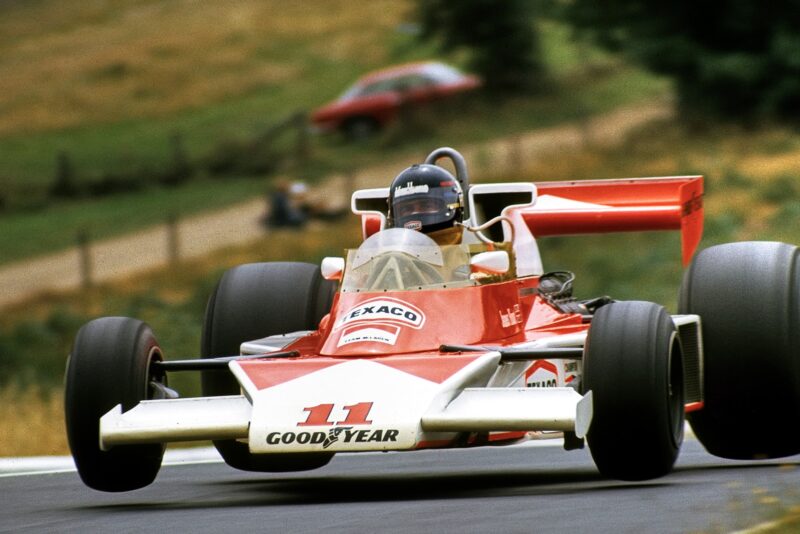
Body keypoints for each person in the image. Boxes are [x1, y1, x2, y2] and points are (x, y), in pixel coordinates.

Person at [387, 163, 464, 246]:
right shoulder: (391, 257)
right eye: (406, 209)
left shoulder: (476, 257)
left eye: (426, 206)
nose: (415, 213)